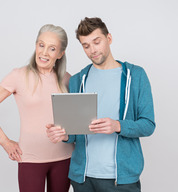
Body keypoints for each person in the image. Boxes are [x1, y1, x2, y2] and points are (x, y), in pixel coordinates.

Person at [46, 17, 156, 192]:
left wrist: (117, 125)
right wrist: (63, 135)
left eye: (96, 42)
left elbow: (148, 125)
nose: (92, 50)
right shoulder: (77, 81)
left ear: (109, 38)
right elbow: (75, 133)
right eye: (86, 45)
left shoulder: (135, 76)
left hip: (121, 180)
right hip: (82, 179)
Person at [0, 24, 74, 192]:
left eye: (52, 49)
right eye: (41, 45)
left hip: (65, 157)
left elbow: (76, 119)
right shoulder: (18, 76)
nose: (44, 53)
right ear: (36, 45)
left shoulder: (67, 79)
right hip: (30, 158)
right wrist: (4, 141)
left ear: (60, 54)